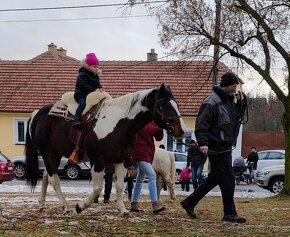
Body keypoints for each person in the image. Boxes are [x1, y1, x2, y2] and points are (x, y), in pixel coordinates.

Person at [180, 72, 247, 223]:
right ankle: (229, 213)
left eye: (236, 86)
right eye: (233, 86)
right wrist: (203, 143)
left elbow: (236, 120)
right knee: (229, 179)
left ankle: (189, 202)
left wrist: (241, 104)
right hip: (217, 146)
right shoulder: (212, 101)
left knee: (215, 178)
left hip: (225, 146)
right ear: (226, 85)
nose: (235, 89)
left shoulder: (229, 101)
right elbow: (201, 125)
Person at [130, 121, 166, 214]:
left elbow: (158, 138)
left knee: (140, 179)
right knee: (152, 174)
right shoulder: (140, 118)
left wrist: (160, 127)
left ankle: (134, 204)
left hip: (148, 153)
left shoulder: (153, 122)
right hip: (139, 152)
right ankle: (155, 204)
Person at [73, 52, 102, 128]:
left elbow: (97, 83)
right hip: (81, 94)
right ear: (88, 66)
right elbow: (82, 85)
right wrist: (93, 90)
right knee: (83, 104)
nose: (96, 68)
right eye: (94, 66)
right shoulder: (82, 75)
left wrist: (100, 88)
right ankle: (76, 119)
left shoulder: (95, 74)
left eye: (97, 66)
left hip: (91, 94)